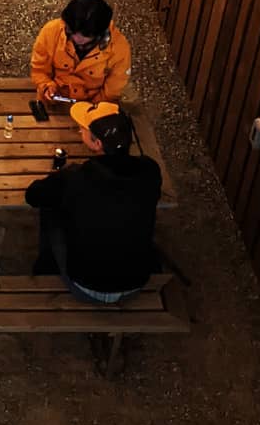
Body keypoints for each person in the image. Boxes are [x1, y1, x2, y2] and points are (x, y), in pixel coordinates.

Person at [24, 101, 161, 303]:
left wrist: (58, 179)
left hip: (85, 286)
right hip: (136, 283)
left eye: (83, 129)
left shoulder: (75, 176)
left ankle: (46, 268)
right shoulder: (150, 170)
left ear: (97, 144)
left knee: (50, 209)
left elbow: (33, 196)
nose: (80, 131)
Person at [30, 0, 132, 107]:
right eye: (71, 32)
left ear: (100, 34)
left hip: (92, 106)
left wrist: (90, 109)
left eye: (85, 35)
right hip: (52, 102)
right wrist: (46, 86)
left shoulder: (119, 49)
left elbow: (112, 91)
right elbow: (39, 70)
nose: (76, 38)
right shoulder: (51, 31)